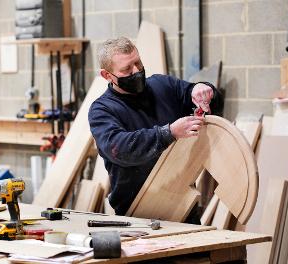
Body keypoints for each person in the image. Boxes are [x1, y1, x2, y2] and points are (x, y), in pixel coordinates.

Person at [88, 37, 220, 217]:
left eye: (138, 63)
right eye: (127, 69)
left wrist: (202, 89)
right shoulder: (102, 110)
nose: (136, 71)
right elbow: (120, 148)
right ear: (107, 75)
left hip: (183, 204)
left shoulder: (162, 86)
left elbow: (201, 96)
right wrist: (169, 133)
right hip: (137, 212)